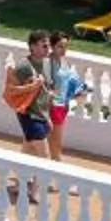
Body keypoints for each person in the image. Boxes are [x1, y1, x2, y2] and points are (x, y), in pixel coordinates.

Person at [2, 32, 55, 156]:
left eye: (49, 46)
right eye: (44, 46)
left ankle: (19, 175)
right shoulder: (23, 67)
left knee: (28, 153)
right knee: (44, 157)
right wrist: (31, 86)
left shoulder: (46, 64)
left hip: (41, 116)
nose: (48, 49)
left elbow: (45, 91)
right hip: (29, 116)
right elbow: (9, 91)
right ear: (33, 47)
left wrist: (47, 117)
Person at [45, 32, 88, 161]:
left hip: (62, 106)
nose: (64, 50)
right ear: (52, 46)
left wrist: (79, 91)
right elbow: (45, 83)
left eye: (65, 46)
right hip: (51, 106)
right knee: (54, 142)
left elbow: (70, 81)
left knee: (54, 141)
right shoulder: (48, 62)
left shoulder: (63, 62)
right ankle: (55, 167)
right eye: (60, 46)